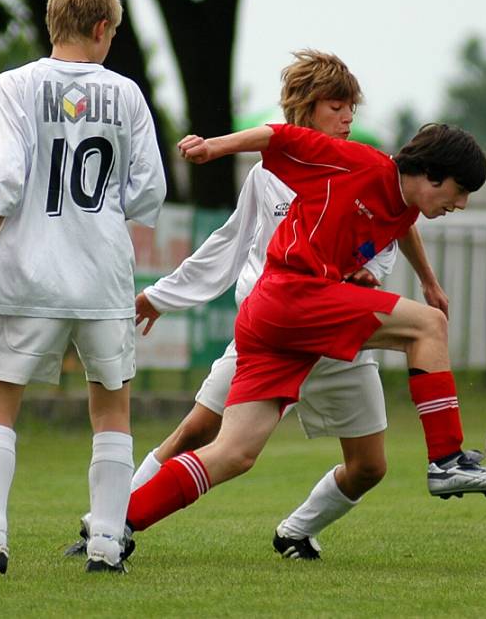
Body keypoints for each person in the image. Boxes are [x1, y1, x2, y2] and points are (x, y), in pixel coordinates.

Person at [65, 49, 450, 562]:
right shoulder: (271, 176)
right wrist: (162, 295)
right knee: (198, 430)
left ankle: (296, 530)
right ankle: (109, 525)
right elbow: (228, 244)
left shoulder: (362, 169)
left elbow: (397, 223)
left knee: (369, 467)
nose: (347, 117)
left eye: (351, 107)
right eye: (337, 106)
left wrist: (397, 276)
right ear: (306, 108)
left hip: (338, 334)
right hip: (272, 327)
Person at [115, 119, 486, 554]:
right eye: (459, 190)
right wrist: (212, 148)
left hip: (272, 318)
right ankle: (446, 458)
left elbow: (401, 221)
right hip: (294, 296)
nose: (461, 203)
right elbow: (276, 135)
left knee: (233, 453)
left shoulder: (406, 201)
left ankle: (117, 525)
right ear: (431, 173)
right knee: (428, 326)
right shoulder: (358, 162)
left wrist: (427, 278)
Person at [0, 0, 166, 576]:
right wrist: (100, 212)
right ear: (103, 28)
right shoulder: (127, 94)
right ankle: (107, 545)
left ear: (55, 22)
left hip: (29, 273)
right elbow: (149, 191)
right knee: (111, 410)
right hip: (104, 274)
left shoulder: (16, 85)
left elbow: (2, 180)